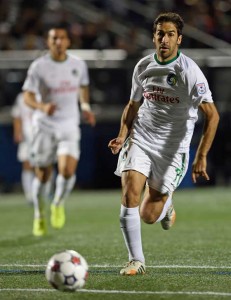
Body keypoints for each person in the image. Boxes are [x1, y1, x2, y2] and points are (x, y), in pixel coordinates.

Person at [108, 12, 219, 275]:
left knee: (148, 215)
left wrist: (201, 155)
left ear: (179, 39)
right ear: (154, 36)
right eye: (160, 33)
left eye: (170, 34)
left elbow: (212, 115)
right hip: (142, 137)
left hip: (173, 148)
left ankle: (166, 206)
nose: (164, 39)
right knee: (129, 192)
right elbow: (133, 104)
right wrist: (123, 134)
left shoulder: (189, 72)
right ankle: (136, 260)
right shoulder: (143, 66)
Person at [23, 26, 96, 237]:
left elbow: (83, 87)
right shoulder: (39, 67)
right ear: (48, 42)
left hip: (68, 124)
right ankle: (39, 213)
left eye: (62, 38)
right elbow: (28, 95)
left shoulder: (78, 64)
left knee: (67, 170)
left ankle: (57, 203)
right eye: (54, 38)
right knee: (44, 175)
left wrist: (85, 107)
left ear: (68, 42)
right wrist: (42, 106)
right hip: (44, 125)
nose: (58, 42)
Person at [11, 92, 34, 204]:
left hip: (42, 135)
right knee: (27, 164)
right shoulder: (21, 97)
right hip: (27, 136)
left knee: (45, 164)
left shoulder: (45, 94)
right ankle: (29, 195)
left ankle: (46, 192)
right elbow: (17, 116)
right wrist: (17, 132)